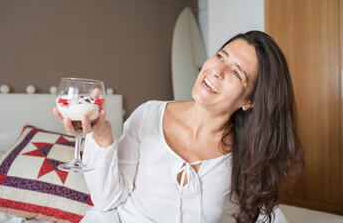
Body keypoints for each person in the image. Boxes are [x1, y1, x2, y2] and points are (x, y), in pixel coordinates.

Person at [54, 30, 304, 223]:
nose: (217, 70)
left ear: (250, 101)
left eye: (237, 73)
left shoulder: (248, 152)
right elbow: (107, 200)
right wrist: (102, 135)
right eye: (220, 56)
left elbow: (265, 213)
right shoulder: (149, 115)